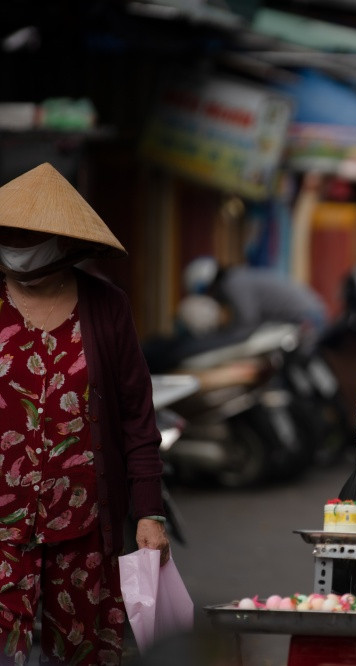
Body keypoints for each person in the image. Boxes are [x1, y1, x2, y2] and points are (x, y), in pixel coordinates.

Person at [0, 163, 170, 664]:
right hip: (2, 526)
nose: (15, 244)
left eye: (29, 236)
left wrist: (150, 512)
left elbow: (137, 416)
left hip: (84, 526)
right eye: (9, 234)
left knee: (81, 651)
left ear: (64, 243)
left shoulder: (105, 306)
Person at [183, 256, 329, 336]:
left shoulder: (233, 284)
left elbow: (247, 320)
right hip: (309, 311)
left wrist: (225, 340)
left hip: (305, 318)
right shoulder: (237, 278)